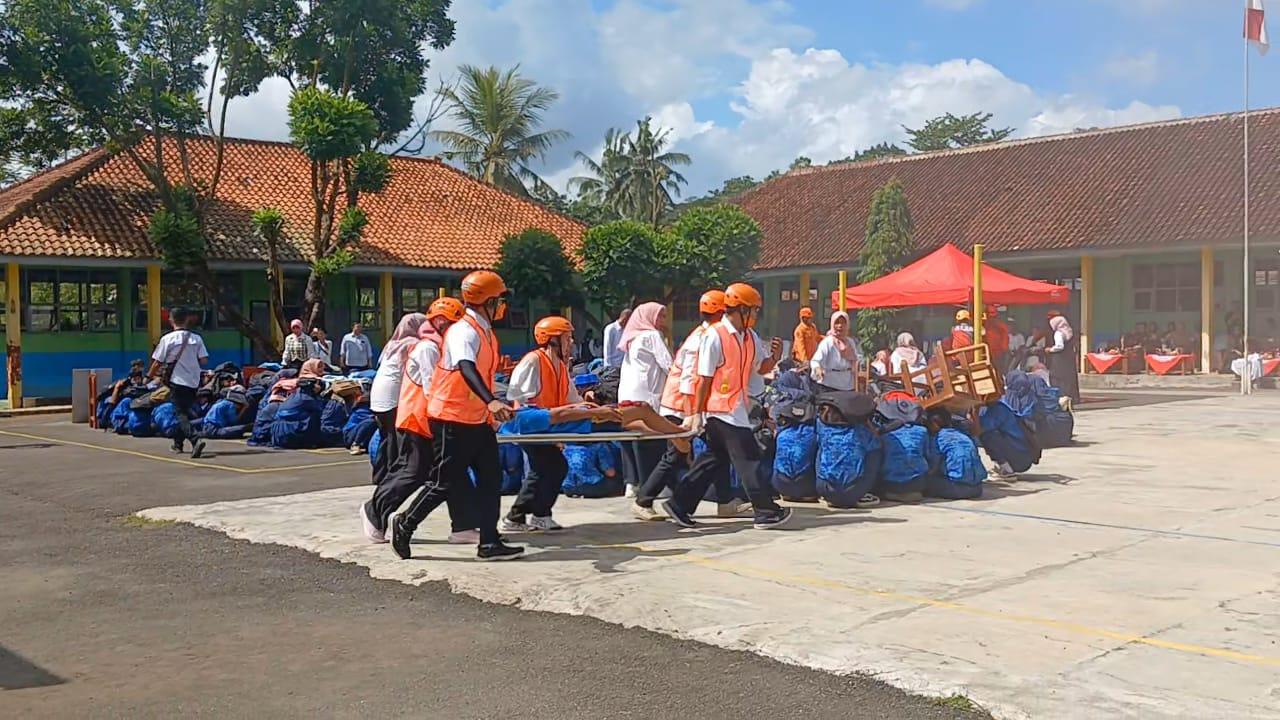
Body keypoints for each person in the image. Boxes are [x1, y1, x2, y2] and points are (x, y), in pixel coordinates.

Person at [389, 270, 524, 562]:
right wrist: (491, 401)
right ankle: (405, 523)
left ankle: (489, 542)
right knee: (443, 482)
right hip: (451, 418)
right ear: (488, 301)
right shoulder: (464, 331)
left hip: (476, 418)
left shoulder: (485, 332)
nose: (503, 306)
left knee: (491, 478)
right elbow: (466, 367)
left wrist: (490, 405)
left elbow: (482, 372)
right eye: (500, 299)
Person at [665, 282, 792, 530]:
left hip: (736, 408)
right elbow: (704, 378)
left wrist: (774, 358)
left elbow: (761, 368)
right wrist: (696, 413)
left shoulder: (750, 337)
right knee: (749, 458)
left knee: (714, 459)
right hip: (720, 411)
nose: (756, 315)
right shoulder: (714, 336)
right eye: (754, 310)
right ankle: (765, 512)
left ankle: (679, 503)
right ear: (741, 309)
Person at [362, 298, 473, 545]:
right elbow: (432, 388)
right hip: (419, 419)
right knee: (413, 471)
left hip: (431, 419)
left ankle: (464, 526)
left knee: (452, 471)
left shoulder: (439, 348)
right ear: (441, 323)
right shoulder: (427, 349)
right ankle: (375, 510)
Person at [633, 290, 747, 522]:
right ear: (719, 313)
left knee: (719, 451)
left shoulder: (709, 335)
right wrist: (692, 415)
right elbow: (688, 380)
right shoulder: (702, 339)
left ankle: (725, 502)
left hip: (692, 406)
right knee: (676, 455)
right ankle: (643, 500)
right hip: (680, 407)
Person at [502, 315, 581, 533]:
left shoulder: (560, 366)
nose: (571, 342)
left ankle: (532, 515)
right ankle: (524, 515)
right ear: (552, 339)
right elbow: (518, 395)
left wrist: (587, 408)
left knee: (549, 468)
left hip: (549, 426)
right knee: (549, 467)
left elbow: (571, 397)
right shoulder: (533, 360)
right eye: (567, 337)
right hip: (531, 425)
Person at [617, 302, 673, 499]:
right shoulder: (651, 336)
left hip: (627, 395)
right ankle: (651, 485)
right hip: (646, 396)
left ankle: (631, 483)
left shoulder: (632, 338)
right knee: (651, 440)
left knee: (632, 438)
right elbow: (668, 365)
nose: (664, 320)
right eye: (660, 316)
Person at [368, 313, 427, 487]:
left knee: (385, 437)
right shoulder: (412, 344)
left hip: (378, 396)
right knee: (395, 439)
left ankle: (379, 475)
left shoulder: (392, 344)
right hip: (393, 395)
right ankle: (393, 476)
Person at [147, 307, 209, 458]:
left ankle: (195, 439)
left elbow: (157, 362)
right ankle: (178, 444)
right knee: (184, 413)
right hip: (193, 382)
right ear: (187, 319)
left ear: (171, 320)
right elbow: (204, 360)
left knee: (179, 413)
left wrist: (149, 376)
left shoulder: (167, 339)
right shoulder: (196, 339)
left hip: (176, 381)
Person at [924, 409, 987, 500]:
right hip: (977, 489)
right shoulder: (963, 435)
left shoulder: (939, 439)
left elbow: (933, 466)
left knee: (923, 482)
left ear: (934, 423)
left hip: (957, 488)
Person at [810, 311, 861, 391]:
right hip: (830, 384)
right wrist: (817, 369)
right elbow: (815, 361)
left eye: (843, 323)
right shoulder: (828, 342)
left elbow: (856, 359)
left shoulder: (850, 342)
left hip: (848, 384)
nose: (840, 326)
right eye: (837, 323)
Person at [1044, 311, 1080, 403]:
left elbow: (1059, 346)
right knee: (1069, 378)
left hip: (1060, 359)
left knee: (1057, 377)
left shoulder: (1059, 333)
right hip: (1068, 359)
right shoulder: (1069, 331)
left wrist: (1050, 349)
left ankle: (1060, 396)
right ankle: (1072, 398)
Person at [984, 305, 1010, 369]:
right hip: (987, 353)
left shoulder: (1002, 326)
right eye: (990, 316)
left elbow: (1005, 341)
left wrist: (1004, 350)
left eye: (994, 317)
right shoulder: (983, 325)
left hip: (998, 354)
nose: (992, 318)